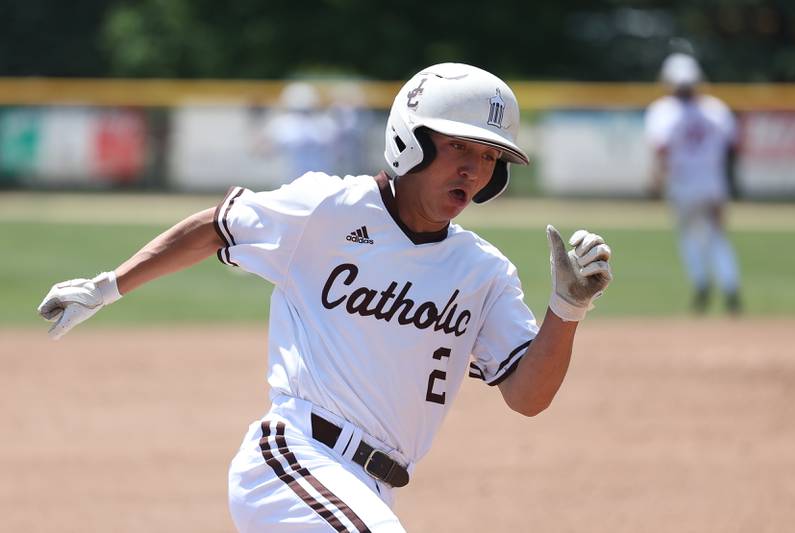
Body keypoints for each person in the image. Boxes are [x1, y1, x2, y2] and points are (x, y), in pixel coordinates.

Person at [37, 63, 613, 532]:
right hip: (292, 461)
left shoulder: (483, 271)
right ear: (410, 141)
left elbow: (528, 396)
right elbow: (218, 225)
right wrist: (108, 286)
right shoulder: (328, 209)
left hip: (370, 489)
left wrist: (566, 310)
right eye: (460, 146)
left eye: (489, 157)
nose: (475, 168)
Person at [644, 53, 742, 314]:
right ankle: (731, 288)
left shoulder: (664, 110)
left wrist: (655, 179)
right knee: (717, 237)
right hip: (713, 183)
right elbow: (734, 146)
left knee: (689, 236)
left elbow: (661, 148)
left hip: (683, 184)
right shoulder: (716, 108)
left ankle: (701, 284)